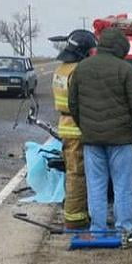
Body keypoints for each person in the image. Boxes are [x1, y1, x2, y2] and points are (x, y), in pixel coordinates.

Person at [68, 27, 132, 235]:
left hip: (92, 139)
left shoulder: (81, 68)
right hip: (121, 140)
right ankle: (124, 229)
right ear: (121, 48)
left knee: (95, 185)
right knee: (123, 186)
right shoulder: (126, 70)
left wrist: (85, 126)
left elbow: (73, 104)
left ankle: (98, 229)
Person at [51, 29, 97, 229]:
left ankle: (75, 213)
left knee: (72, 171)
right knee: (78, 174)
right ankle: (75, 218)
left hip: (66, 125)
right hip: (77, 127)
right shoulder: (77, 71)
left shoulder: (62, 69)